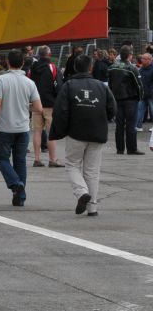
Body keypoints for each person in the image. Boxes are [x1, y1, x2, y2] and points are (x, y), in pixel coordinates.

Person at [49, 54, 116, 217]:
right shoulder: (101, 86)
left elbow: (61, 111)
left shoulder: (69, 85)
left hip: (76, 133)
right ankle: (92, 208)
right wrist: (102, 120)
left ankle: (81, 192)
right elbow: (112, 109)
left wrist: (60, 131)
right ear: (91, 67)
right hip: (97, 133)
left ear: (74, 68)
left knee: (72, 164)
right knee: (92, 171)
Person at [0, 50, 42, 207]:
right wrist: (24, 106)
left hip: (5, 128)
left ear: (8, 62)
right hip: (22, 128)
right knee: (20, 161)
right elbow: (38, 108)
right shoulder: (29, 83)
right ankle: (21, 196)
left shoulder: (2, 80)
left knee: (2, 159)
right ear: (23, 63)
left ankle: (15, 183)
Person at [28, 45, 61, 168]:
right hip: (50, 104)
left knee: (37, 131)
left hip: (36, 103)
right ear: (49, 54)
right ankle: (52, 159)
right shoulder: (52, 68)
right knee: (51, 132)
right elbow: (58, 86)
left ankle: (37, 159)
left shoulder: (33, 68)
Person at [108, 45, 144, 155]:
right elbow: (139, 86)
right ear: (129, 55)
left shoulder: (112, 67)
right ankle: (132, 148)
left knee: (119, 125)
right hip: (130, 100)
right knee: (130, 125)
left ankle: (120, 149)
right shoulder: (132, 68)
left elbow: (109, 84)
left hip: (117, 99)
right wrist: (140, 97)